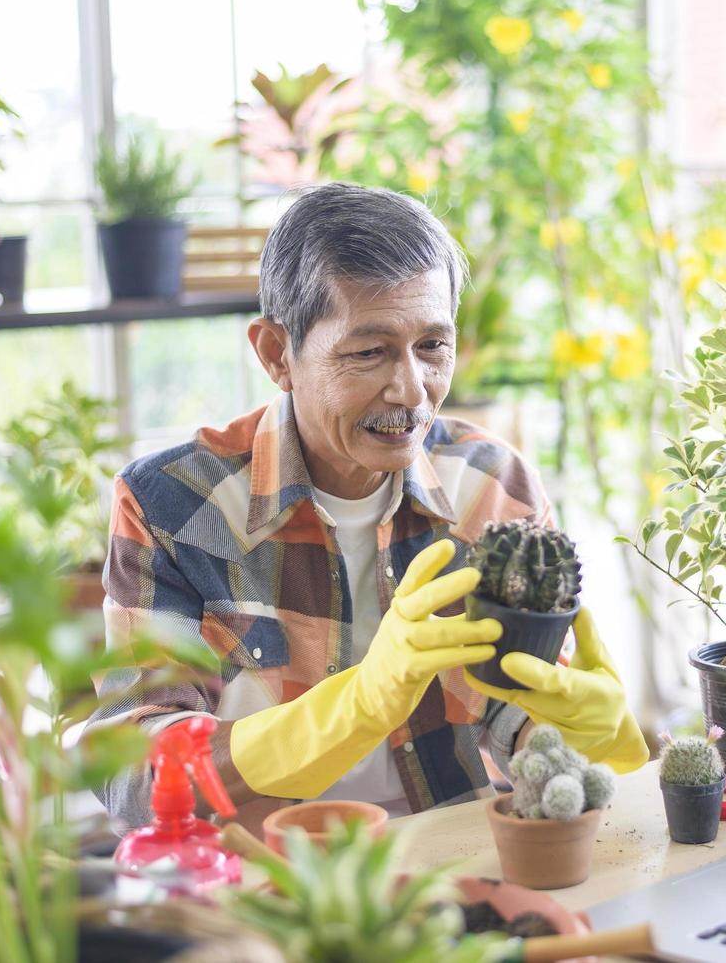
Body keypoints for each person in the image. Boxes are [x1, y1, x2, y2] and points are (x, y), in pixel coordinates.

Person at [88, 183, 647, 831]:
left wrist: (573, 732)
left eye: (432, 347)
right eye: (368, 352)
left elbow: (519, 710)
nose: (410, 389)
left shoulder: (489, 484)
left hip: (451, 862)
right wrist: (356, 705)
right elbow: (135, 775)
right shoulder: (171, 507)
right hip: (261, 885)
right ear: (276, 353)